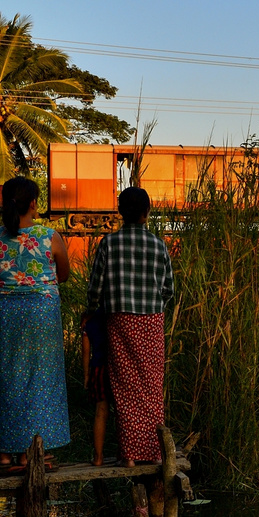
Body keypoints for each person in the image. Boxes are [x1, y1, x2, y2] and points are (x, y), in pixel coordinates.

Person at [85, 186, 174, 467]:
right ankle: (153, 451)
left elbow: (95, 288)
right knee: (150, 385)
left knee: (125, 386)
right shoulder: (159, 245)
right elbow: (168, 289)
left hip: (119, 319)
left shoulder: (109, 244)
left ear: (120, 212)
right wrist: (153, 305)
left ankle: (131, 456)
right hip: (151, 321)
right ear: (147, 212)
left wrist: (91, 310)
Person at [0, 177, 71, 469]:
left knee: (8, 377)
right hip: (41, 310)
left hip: (5, 311)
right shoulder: (50, 236)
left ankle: (9, 451)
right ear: (33, 203)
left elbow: (0, 272)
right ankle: (32, 451)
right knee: (41, 378)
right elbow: (63, 274)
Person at [80, 309, 111, 465]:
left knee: (100, 413)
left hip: (98, 369)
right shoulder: (113, 318)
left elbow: (86, 351)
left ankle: (98, 457)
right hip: (117, 367)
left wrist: (86, 375)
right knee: (123, 410)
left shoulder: (88, 322)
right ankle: (125, 454)